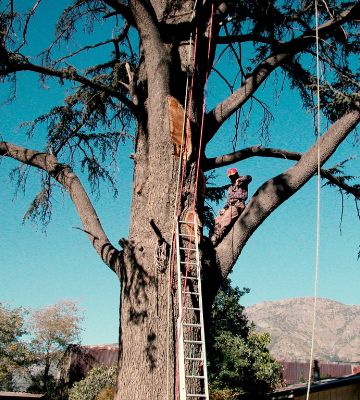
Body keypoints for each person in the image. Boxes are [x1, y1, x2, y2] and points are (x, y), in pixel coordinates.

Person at [211, 167, 252, 246]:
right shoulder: (230, 188)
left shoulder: (242, 182)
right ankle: (214, 234)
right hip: (230, 205)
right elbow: (228, 199)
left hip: (238, 204)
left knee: (226, 219)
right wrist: (224, 208)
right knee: (218, 219)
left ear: (237, 175)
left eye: (233, 176)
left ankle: (217, 236)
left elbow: (249, 177)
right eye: (231, 176)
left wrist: (239, 180)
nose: (232, 178)